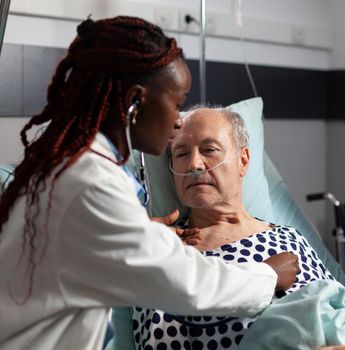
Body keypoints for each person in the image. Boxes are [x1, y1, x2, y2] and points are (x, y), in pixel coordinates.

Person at [0, 16, 300, 349]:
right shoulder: (88, 181)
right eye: (177, 104)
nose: (178, 121)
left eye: (210, 149)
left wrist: (140, 233)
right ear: (135, 102)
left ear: (244, 160)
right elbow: (183, 282)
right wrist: (267, 276)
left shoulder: (73, 166)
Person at [132, 107, 345, 349]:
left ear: (243, 161)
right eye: (181, 154)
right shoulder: (166, 252)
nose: (194, 165)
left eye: (209, 149)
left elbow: (331, 306)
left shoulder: (289, 237)